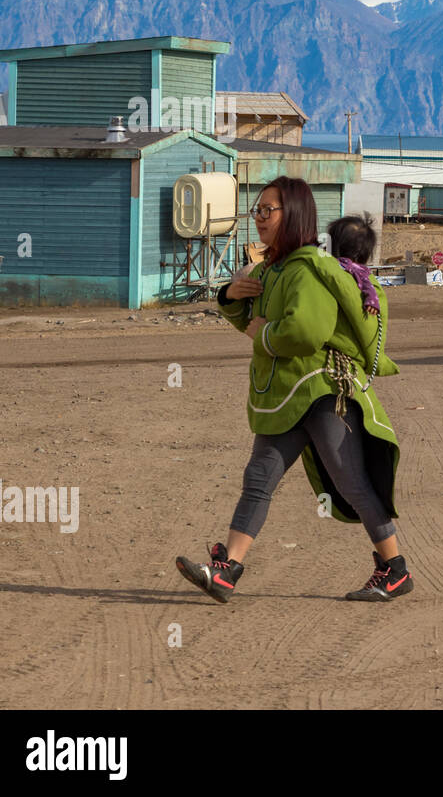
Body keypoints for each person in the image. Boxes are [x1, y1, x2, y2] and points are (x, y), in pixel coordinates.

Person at [176, 179, 412, 603]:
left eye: (268, 210)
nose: (260, 218)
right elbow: (249, 318)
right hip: (288, 393)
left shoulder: (306, 270)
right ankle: (227, 569)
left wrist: (265, 335)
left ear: (295, 214)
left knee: (353, 483)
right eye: (258, 211)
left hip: (321, 390)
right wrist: (228, 294)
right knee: (258, 479)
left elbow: (306, 332)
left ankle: (395, 570)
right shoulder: (273, 269)